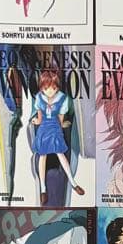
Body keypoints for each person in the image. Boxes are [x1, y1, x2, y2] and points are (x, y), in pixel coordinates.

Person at [30, 69, 85, 204]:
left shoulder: (62, 99)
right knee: (42, 157)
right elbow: (40, 117)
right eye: (46, 88)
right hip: (44, 129)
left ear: (57, 87)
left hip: (55, 128)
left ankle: (73, 183)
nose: (50, 91)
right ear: (42, 88)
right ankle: (43, 189)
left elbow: (60, 118)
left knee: (60, 154)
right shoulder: (39, 98)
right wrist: (36, 121)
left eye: (53, 88)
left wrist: (62, 125)